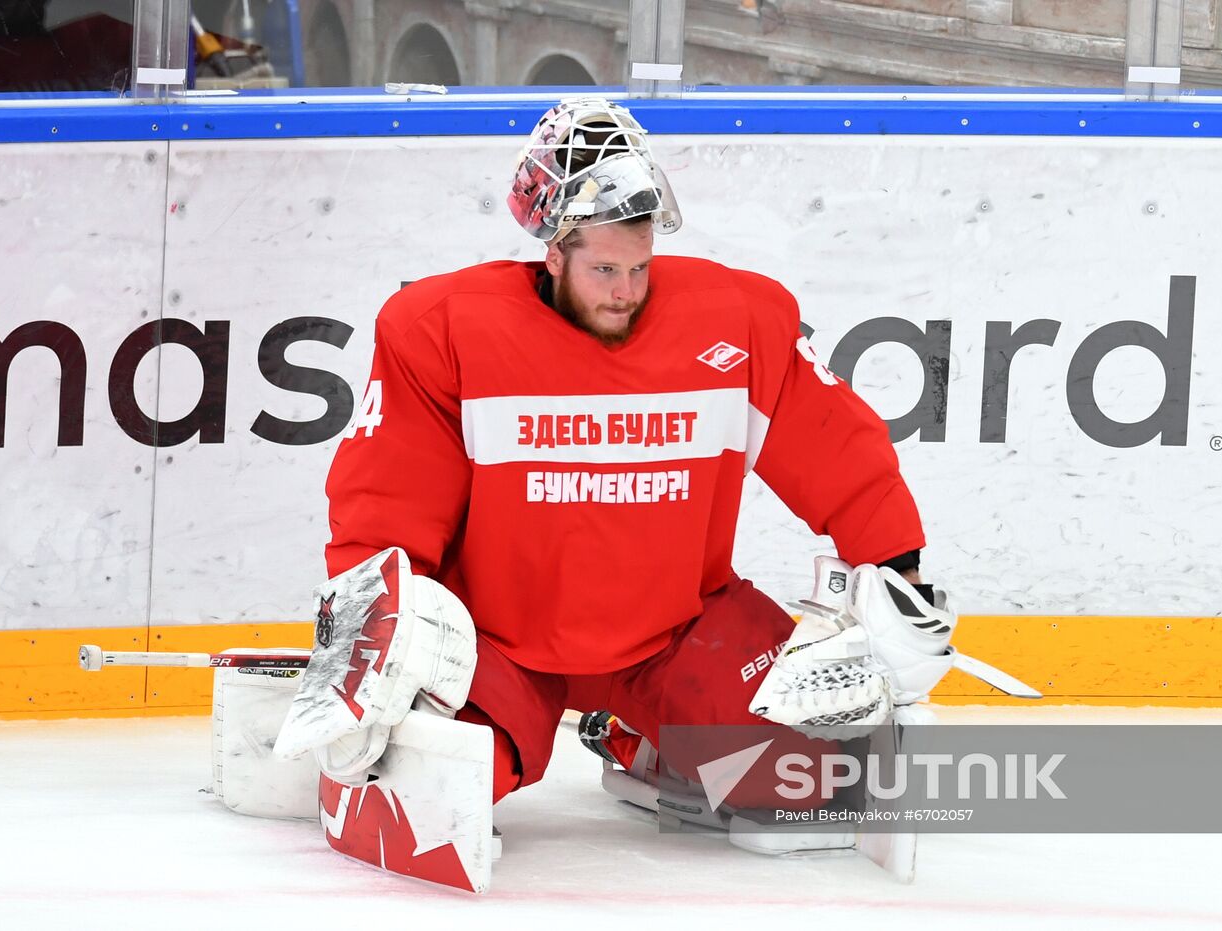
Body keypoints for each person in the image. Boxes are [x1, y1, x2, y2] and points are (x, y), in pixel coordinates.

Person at [279, 98, 955, 826]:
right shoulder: (444, 331)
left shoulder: (734, 319)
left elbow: (834, 446)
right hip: (498, 643)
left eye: (639, 266)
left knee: (816, 780)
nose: (626, 290)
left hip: (677, 634)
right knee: (431, 786)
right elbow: (388, 495)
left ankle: (637, 742)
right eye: (603, 268)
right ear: (553, 249)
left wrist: (901, 571)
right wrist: (367, 641)